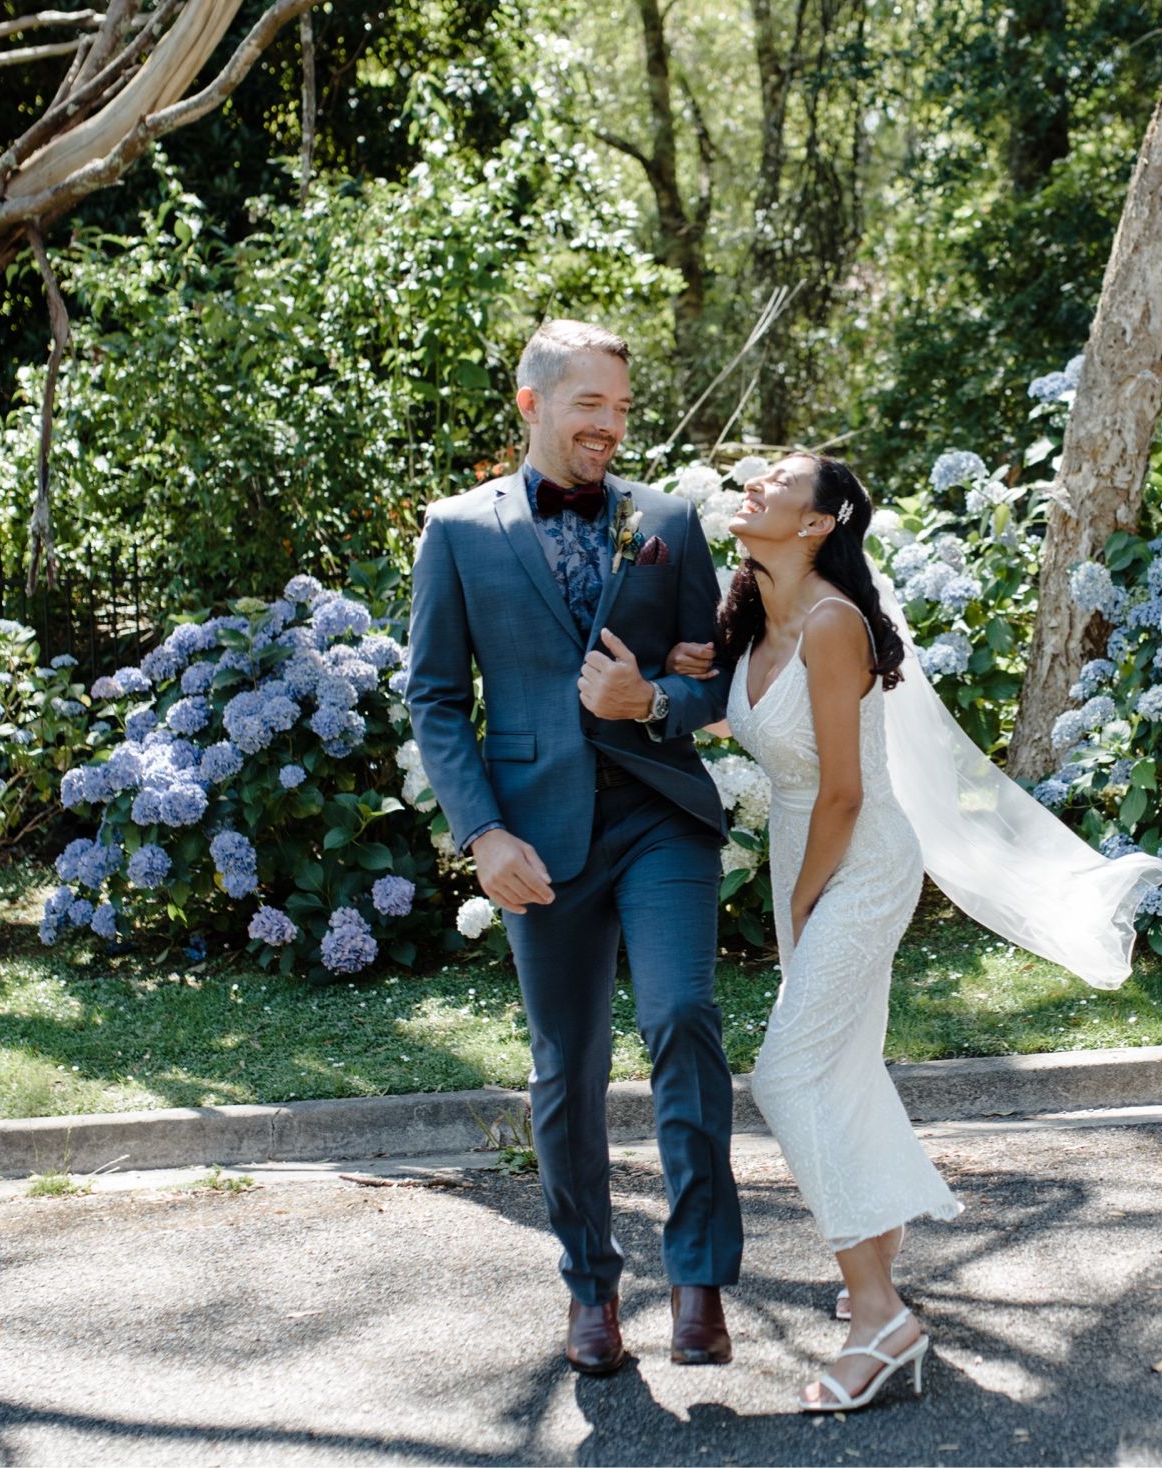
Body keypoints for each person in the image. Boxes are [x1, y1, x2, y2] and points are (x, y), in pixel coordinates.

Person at [667, 453, 1162, 1413]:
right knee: (839, 1061)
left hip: (855, 855)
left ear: (819, 525)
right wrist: (690, 681)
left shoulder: (832, 623)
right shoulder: (757, 623)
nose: (755, 485)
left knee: (788, 1074)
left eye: (780, 483)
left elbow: (847, 790)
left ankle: (881, 1318)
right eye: (757, 475)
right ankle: (880, 1241)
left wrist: (809, 904)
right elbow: (772, 734)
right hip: (802, 852)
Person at [403, 319, 741, 1377]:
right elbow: (434, 697)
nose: (609, 426)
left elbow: (716, 678)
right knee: (567, 1068)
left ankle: (697, 1278)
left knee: (683, 1015)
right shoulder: (456, 530)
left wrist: (653, 700)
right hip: (534, 838)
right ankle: (590, 1286)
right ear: (532, 404)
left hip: (658, 814)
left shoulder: (667, 521)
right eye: (589, 404)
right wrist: (482, 831)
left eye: (622, 409)